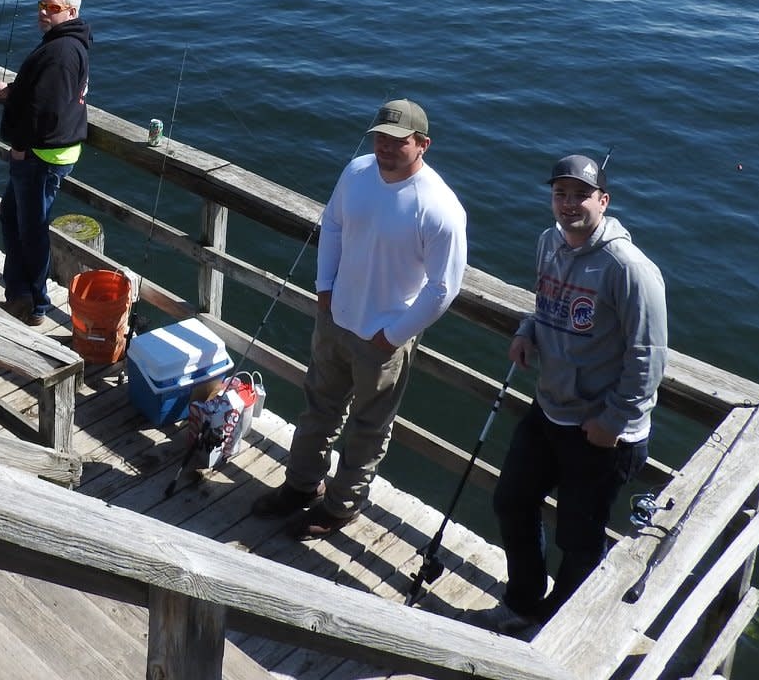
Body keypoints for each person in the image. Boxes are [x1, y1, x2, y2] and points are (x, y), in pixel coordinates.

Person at [468, 153, 667, 637]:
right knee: (512, 500)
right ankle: (522, 603)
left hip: (601, 431)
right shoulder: (548, 243)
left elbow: (649, 356)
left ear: (604, 200)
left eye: (581, 194)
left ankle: (558, 626)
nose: (569, 203)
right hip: (550, 410)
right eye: (560, 193)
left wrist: (613, 422)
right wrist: (528, 328)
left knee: (579, 538)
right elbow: (547, 302)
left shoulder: (629, 268)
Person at [251, 98, 467, 538]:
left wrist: (395, 335)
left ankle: (340, 505)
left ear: (423, 144)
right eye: (380, 137)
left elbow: (444, 288)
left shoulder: (440, 207)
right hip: (334, 320)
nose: (385, 147)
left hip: (383, 338)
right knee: (317, 411)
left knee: (368, 428)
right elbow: (331, 224)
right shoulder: (357, 172)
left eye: (398, 140)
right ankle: (299, 486)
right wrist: (324, 288)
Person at [0, 0, 91, 325]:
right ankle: (20, 294)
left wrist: (19, 148)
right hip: (43, 154)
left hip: (40, 157)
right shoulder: (66, 44)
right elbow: (41, 94)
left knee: (31, 230)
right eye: (42, 5)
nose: (43, 12)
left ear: (71, 12)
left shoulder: (60, 53)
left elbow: (45, 113)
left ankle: (36, 304)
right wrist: (11, 91)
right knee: (13, 218)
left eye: (53, 8)